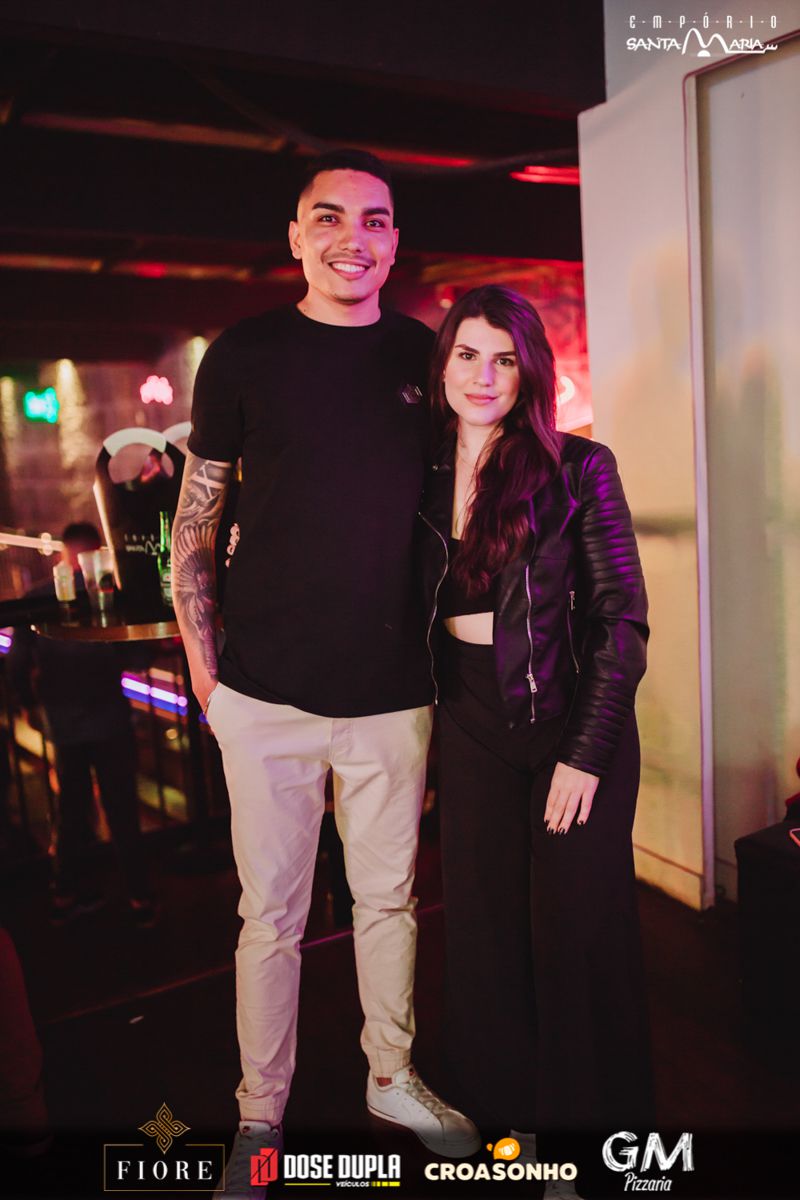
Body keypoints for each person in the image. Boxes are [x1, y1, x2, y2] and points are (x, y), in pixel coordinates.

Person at [172, 149, 480, 1199]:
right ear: (296, 236)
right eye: (331, 217)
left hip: (395, 694)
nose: (355, 237)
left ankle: (390, 1078)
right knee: (272, 919)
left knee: (389, 903)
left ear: (395, 241)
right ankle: (259, 1117)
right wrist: (207, 678)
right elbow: (198, 521)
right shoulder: (243, 353)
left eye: (376, 220)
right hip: (262, 694)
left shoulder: (423, 356)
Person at [418, 286, 653, 1197]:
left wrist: (586, 752)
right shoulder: (419, 470)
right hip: (468, 719)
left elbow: (621, 620)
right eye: (467, 355)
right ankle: (514, 1117)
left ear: (530, 372)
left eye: (504, 359)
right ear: (443, 365)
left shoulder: (579, 467)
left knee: (574, 933)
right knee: (484, 931)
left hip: (568, 718)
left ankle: (589, 1140)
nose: (484, 376)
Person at [7, 523, 155, 927]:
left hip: (64, 721)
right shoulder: (109, 595)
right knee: (122, 809)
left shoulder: (37, 598)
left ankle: (66, 892)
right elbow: (138, 657)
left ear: (62, 553)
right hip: (110, 718)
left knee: (70, 810)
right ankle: (139, 896)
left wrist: (29, 703)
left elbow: (18, 662)